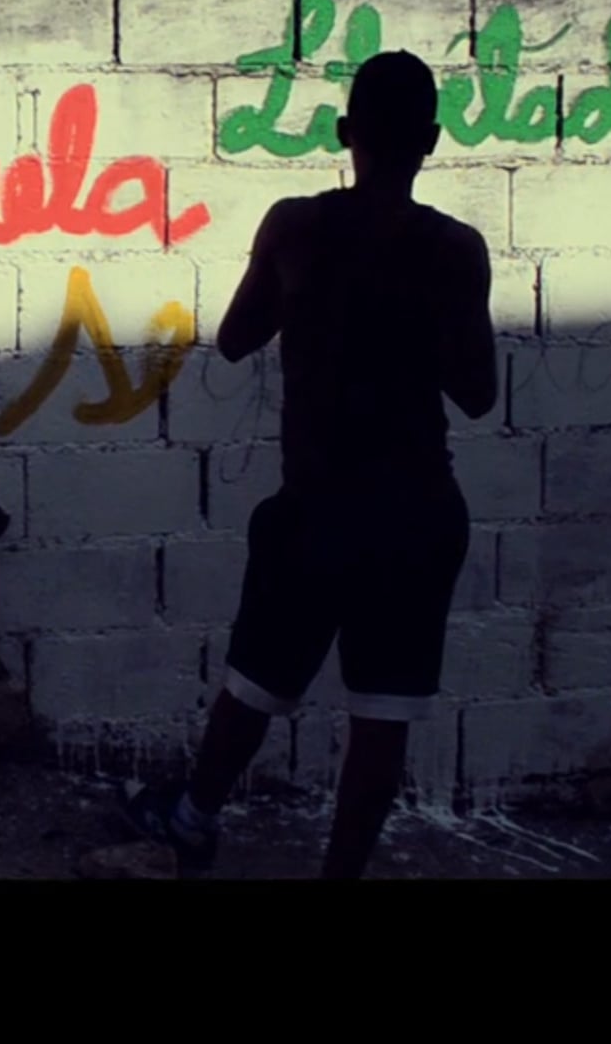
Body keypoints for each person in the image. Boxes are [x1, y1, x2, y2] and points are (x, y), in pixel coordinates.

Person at [115, 49, 498, 880]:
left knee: (254, 683)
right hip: (415, 512)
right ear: (432, 140)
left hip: (319, 507)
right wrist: (414, 318)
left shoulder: (297, 227)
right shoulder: (454, 250)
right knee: (382, 716)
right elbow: (477, 393)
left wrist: (318, 300)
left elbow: (235, 337)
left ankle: (192, 821)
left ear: (344, 132)